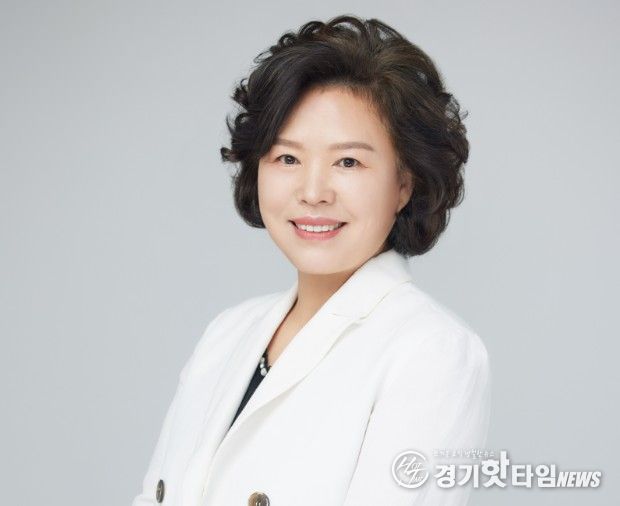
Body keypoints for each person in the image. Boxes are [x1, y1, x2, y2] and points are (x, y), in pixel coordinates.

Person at [132, 15, 491, 506]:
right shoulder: (227, 333)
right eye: (287, 158)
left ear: (404, 184)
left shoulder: (433, 352)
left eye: (348, 161)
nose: (313, 191)